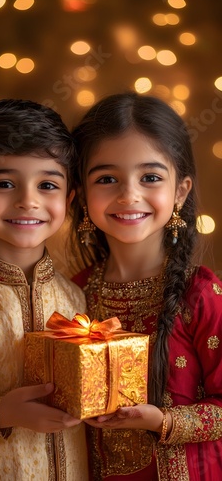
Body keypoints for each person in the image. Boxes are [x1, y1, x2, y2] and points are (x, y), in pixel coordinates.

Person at [70, 91, 222, 480]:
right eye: (107, 178)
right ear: (82, 195)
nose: (129, 195)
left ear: (181, 191)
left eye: (150, 177)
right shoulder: (72, 296)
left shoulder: (201, 294)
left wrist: (161, 421)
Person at [0, 99, 89, 480]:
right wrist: (0, 413)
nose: (28, 200)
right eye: (5, 184)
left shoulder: (76, 297)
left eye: (47, 185)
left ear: (68, 199)